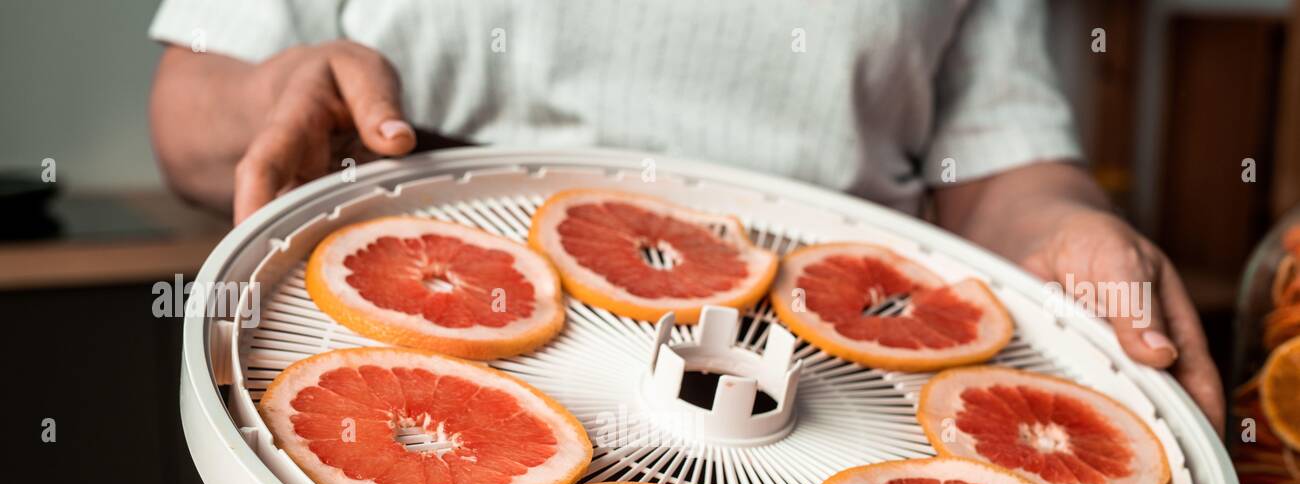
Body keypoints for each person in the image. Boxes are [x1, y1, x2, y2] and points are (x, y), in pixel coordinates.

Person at [147, 0, 1224, 429]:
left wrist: (1064, 234)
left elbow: (1001, 172)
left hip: (829, 415)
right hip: (413, 394)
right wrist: (274, 93)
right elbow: (191, 113)